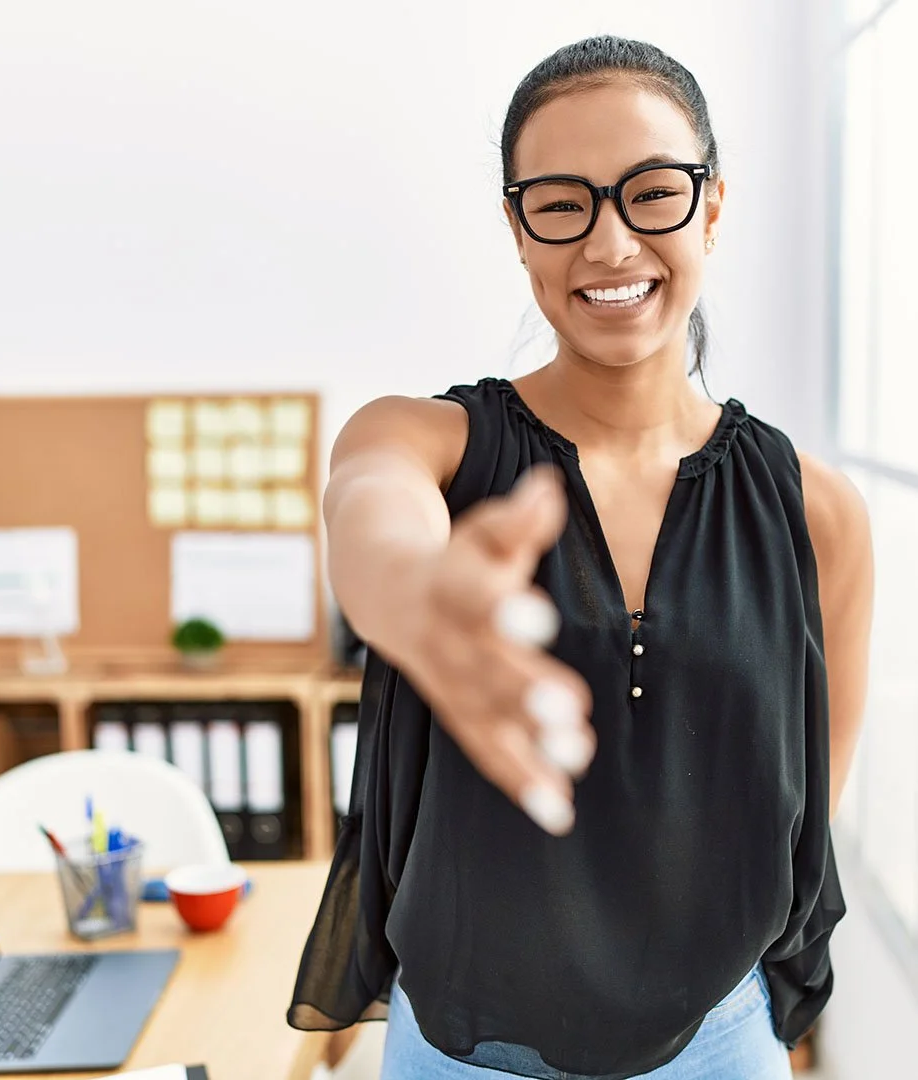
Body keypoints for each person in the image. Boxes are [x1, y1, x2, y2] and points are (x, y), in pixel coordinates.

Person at [287, 33, 874, 1080]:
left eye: (651, 191)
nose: (608, 245)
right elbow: (371, 509)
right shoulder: (421, 441)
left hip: (717, 1039)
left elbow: (804, 804)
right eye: (561, 202)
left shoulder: (815, 511)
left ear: (713, 205)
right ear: (517, 227)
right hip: (462, 1047)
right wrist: (412, 590)